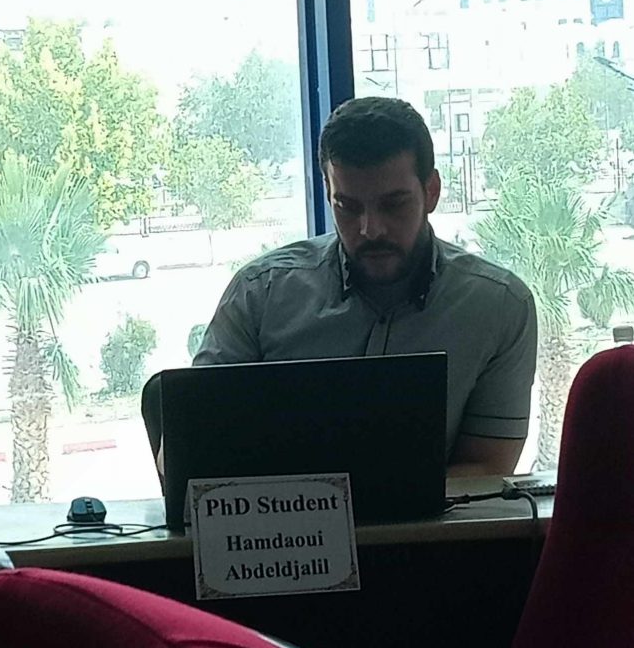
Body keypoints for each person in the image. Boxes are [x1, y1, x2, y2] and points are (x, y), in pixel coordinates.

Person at [193, 96, 537, 477]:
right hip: (287, 518)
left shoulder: (499, 307)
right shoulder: (260, 295)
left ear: (432, 192)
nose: (371, 230)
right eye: (347, 206)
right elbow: (191, 445)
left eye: (393, 205)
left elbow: (487, 468)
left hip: (430, 520)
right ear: (327, 192)